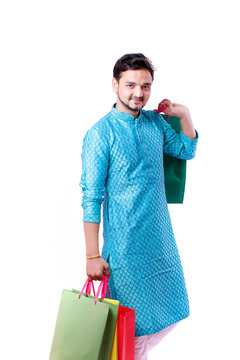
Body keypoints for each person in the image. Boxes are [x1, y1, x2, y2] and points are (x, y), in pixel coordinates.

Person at [80, 53, 199, 359]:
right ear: (115, 85)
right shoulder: (100, 134)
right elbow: (91, 198)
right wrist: (93, 255)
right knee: (130, 326)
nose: (138, 93)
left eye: (145, 86)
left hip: (160, 243)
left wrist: (183, 114)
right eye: (131, 85)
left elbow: (186, 149)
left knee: (172, 311)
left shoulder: (155, 125)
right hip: (124, 250)